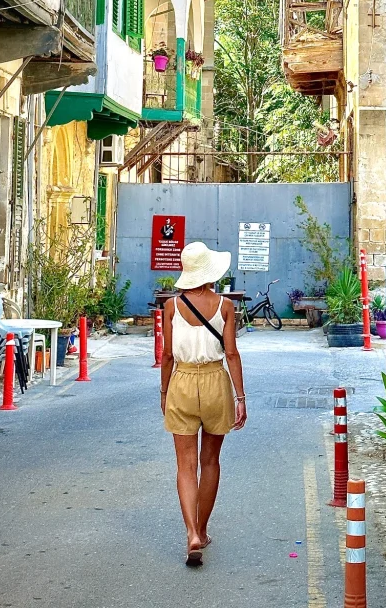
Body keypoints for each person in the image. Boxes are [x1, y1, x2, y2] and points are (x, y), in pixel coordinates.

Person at [161, 241, 246, 566]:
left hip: (181, 382)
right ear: (210, 272)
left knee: (185, 465)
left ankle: (191, 532)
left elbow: (167, 355)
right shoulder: (225, 305)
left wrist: (164, 392)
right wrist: (240, 397)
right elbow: (232, 354)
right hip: (215, 382)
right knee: (210, 462)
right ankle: (204, 528)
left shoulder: (171, 307)